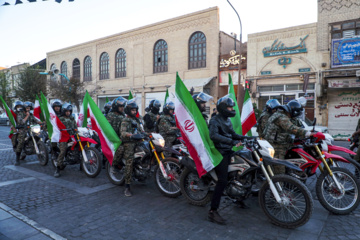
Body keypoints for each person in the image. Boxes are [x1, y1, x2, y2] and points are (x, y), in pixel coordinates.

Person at [208, 95, 244, 225]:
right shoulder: (215, 120)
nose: (231, 109)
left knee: (239, 171)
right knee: (222, 180)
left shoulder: (227, 120)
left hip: (228, 150)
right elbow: (213, 135)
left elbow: (233, 134)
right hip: (219, 152)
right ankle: (213, 211)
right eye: (229, 107)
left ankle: (239, 196)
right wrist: (231, 141)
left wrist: (243, 137)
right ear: (223, 108)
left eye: (232, 107)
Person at [263, 100, 324, 172]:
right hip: (276, 146)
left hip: (283, 144)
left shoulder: (285, 115)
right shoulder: (281, 117)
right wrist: (307, 133)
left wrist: (308, 132)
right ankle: (279, 182)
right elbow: (291, 128)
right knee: (280, 169)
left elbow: (297, 126)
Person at [120, 99, 144, 197]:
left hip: (138, 141)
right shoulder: (125, 120)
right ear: (128, 110)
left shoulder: (137, 120)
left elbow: (141, 130)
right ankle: (127, 187)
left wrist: (149, 134)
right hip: (129, 142)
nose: (134, 112)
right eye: (132, 110)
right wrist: (131, 135)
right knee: (129, 162)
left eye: (135, 110)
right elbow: (123, 133)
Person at [54, 103, 77, 178]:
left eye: (69, 111)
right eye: (67, 111)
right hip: (63, 137)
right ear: (63, 111)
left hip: (72, 136)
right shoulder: (60, 118)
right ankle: (57, 169)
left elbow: (75, 127)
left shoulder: (72, 118)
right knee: (63, 151)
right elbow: (56, 127)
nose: (68, 113)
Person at [106, 97, 127, 167]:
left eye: (123, 106)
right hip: (114, 139)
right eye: (120, 106)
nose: (122, 108)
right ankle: (113, 165)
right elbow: (107, 129)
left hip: (122, 137)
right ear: (116, 106)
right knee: (121, 149)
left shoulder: (123, 115)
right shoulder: (110, 115)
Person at [13, 101, 30, 166]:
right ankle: (17, 159)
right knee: (21, 142)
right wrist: (27, 116)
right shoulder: (20, 114)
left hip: (29, 129)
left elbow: (35, 119)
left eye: (20, 106)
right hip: (21, 129)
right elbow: (21, 122)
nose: (19, 108)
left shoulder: (29, 113)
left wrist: (42, 122)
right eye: (18, 107)